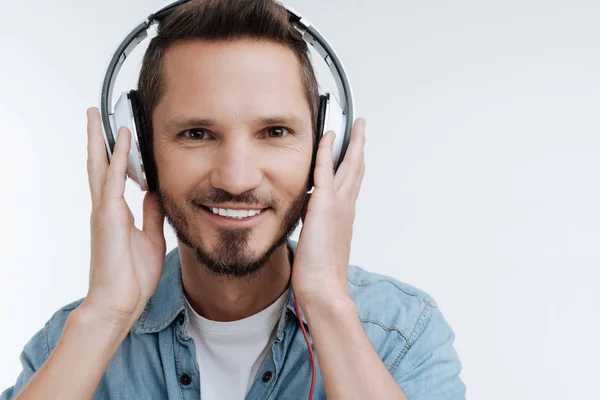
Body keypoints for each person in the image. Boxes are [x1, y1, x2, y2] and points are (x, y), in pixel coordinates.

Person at [1, 0, 465, 399]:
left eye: (274, 132)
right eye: (197, 133)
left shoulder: (402, 333)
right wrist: (106, 315)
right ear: (142, 154)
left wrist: (325, 300)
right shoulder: (74, 343)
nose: (237, 178)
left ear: (328, 150)